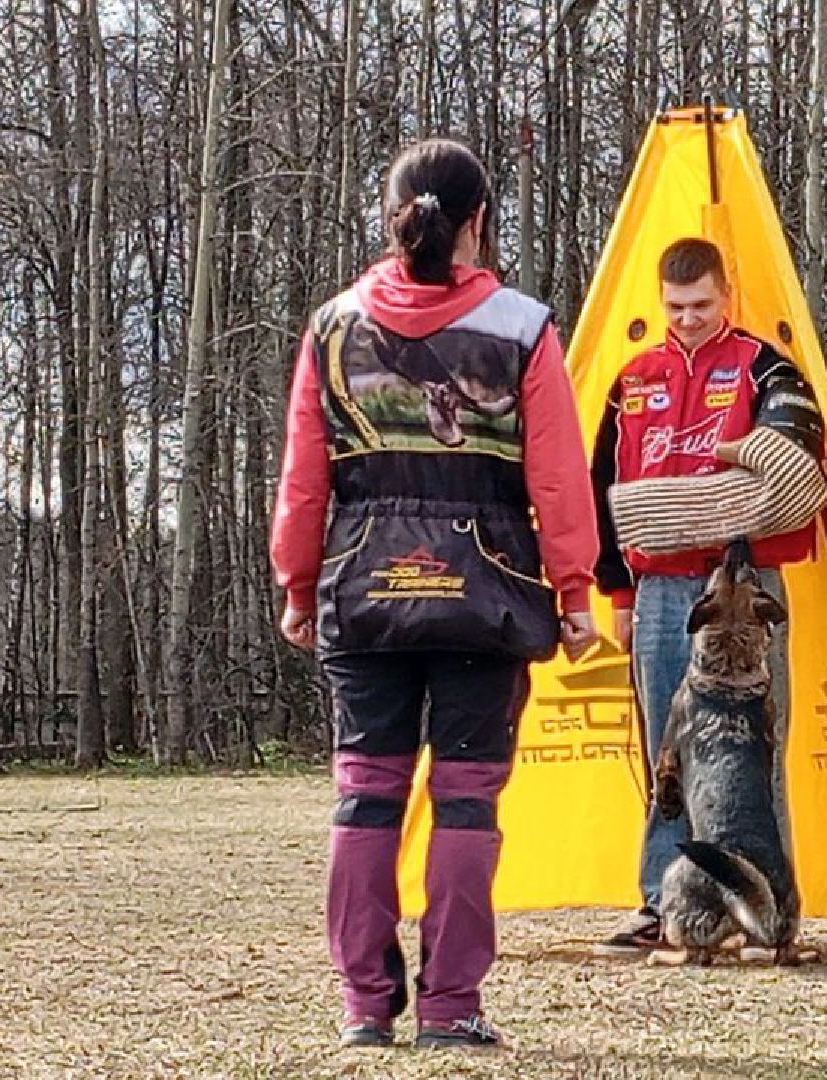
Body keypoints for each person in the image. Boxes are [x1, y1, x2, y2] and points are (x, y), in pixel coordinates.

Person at [271, 138, 599, 1049]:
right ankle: (452, 1008)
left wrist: (299, 582)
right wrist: (573, 593)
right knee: (466, 802)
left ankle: (364, 1009)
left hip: (363, 588)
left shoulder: (332, 325)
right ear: (478, 222)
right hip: (484, 596)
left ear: (394, 218)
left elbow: (305, 479)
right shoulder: (523, 327)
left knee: (365, 795)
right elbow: (560, 480)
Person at [587, 237, 827, 957]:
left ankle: (768, 905)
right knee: (670, 748)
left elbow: (791, 474)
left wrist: (680, 505)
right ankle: (665, 902)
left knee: (752, 751)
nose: (688, 319)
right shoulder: (632, 379)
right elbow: (605, 494)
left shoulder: (764, 366)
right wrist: (617, 589)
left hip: (743, 590)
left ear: (728, 295)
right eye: (675, 307)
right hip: (660, 588)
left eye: (701, 305)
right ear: (658, 302)